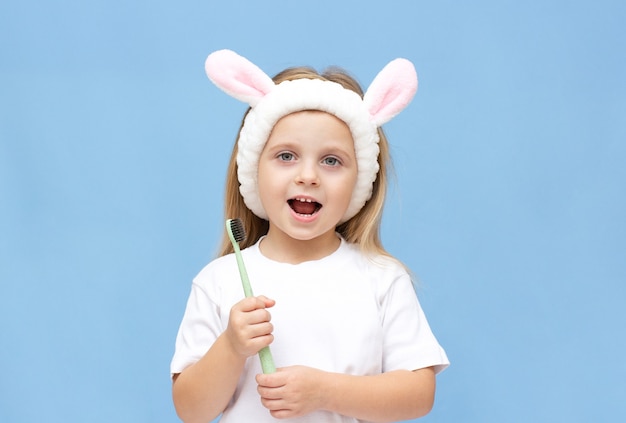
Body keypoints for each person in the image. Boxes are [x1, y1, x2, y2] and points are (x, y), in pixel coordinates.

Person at [170, 49, 449, 423]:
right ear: (253, 170)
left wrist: (324, 391)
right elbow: (191, 410)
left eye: (331, 160)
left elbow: (419, 395)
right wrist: (232, 348)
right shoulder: (220, 281)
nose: (308, 176)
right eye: (286, 156)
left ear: (361, 182)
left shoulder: (381, 279)